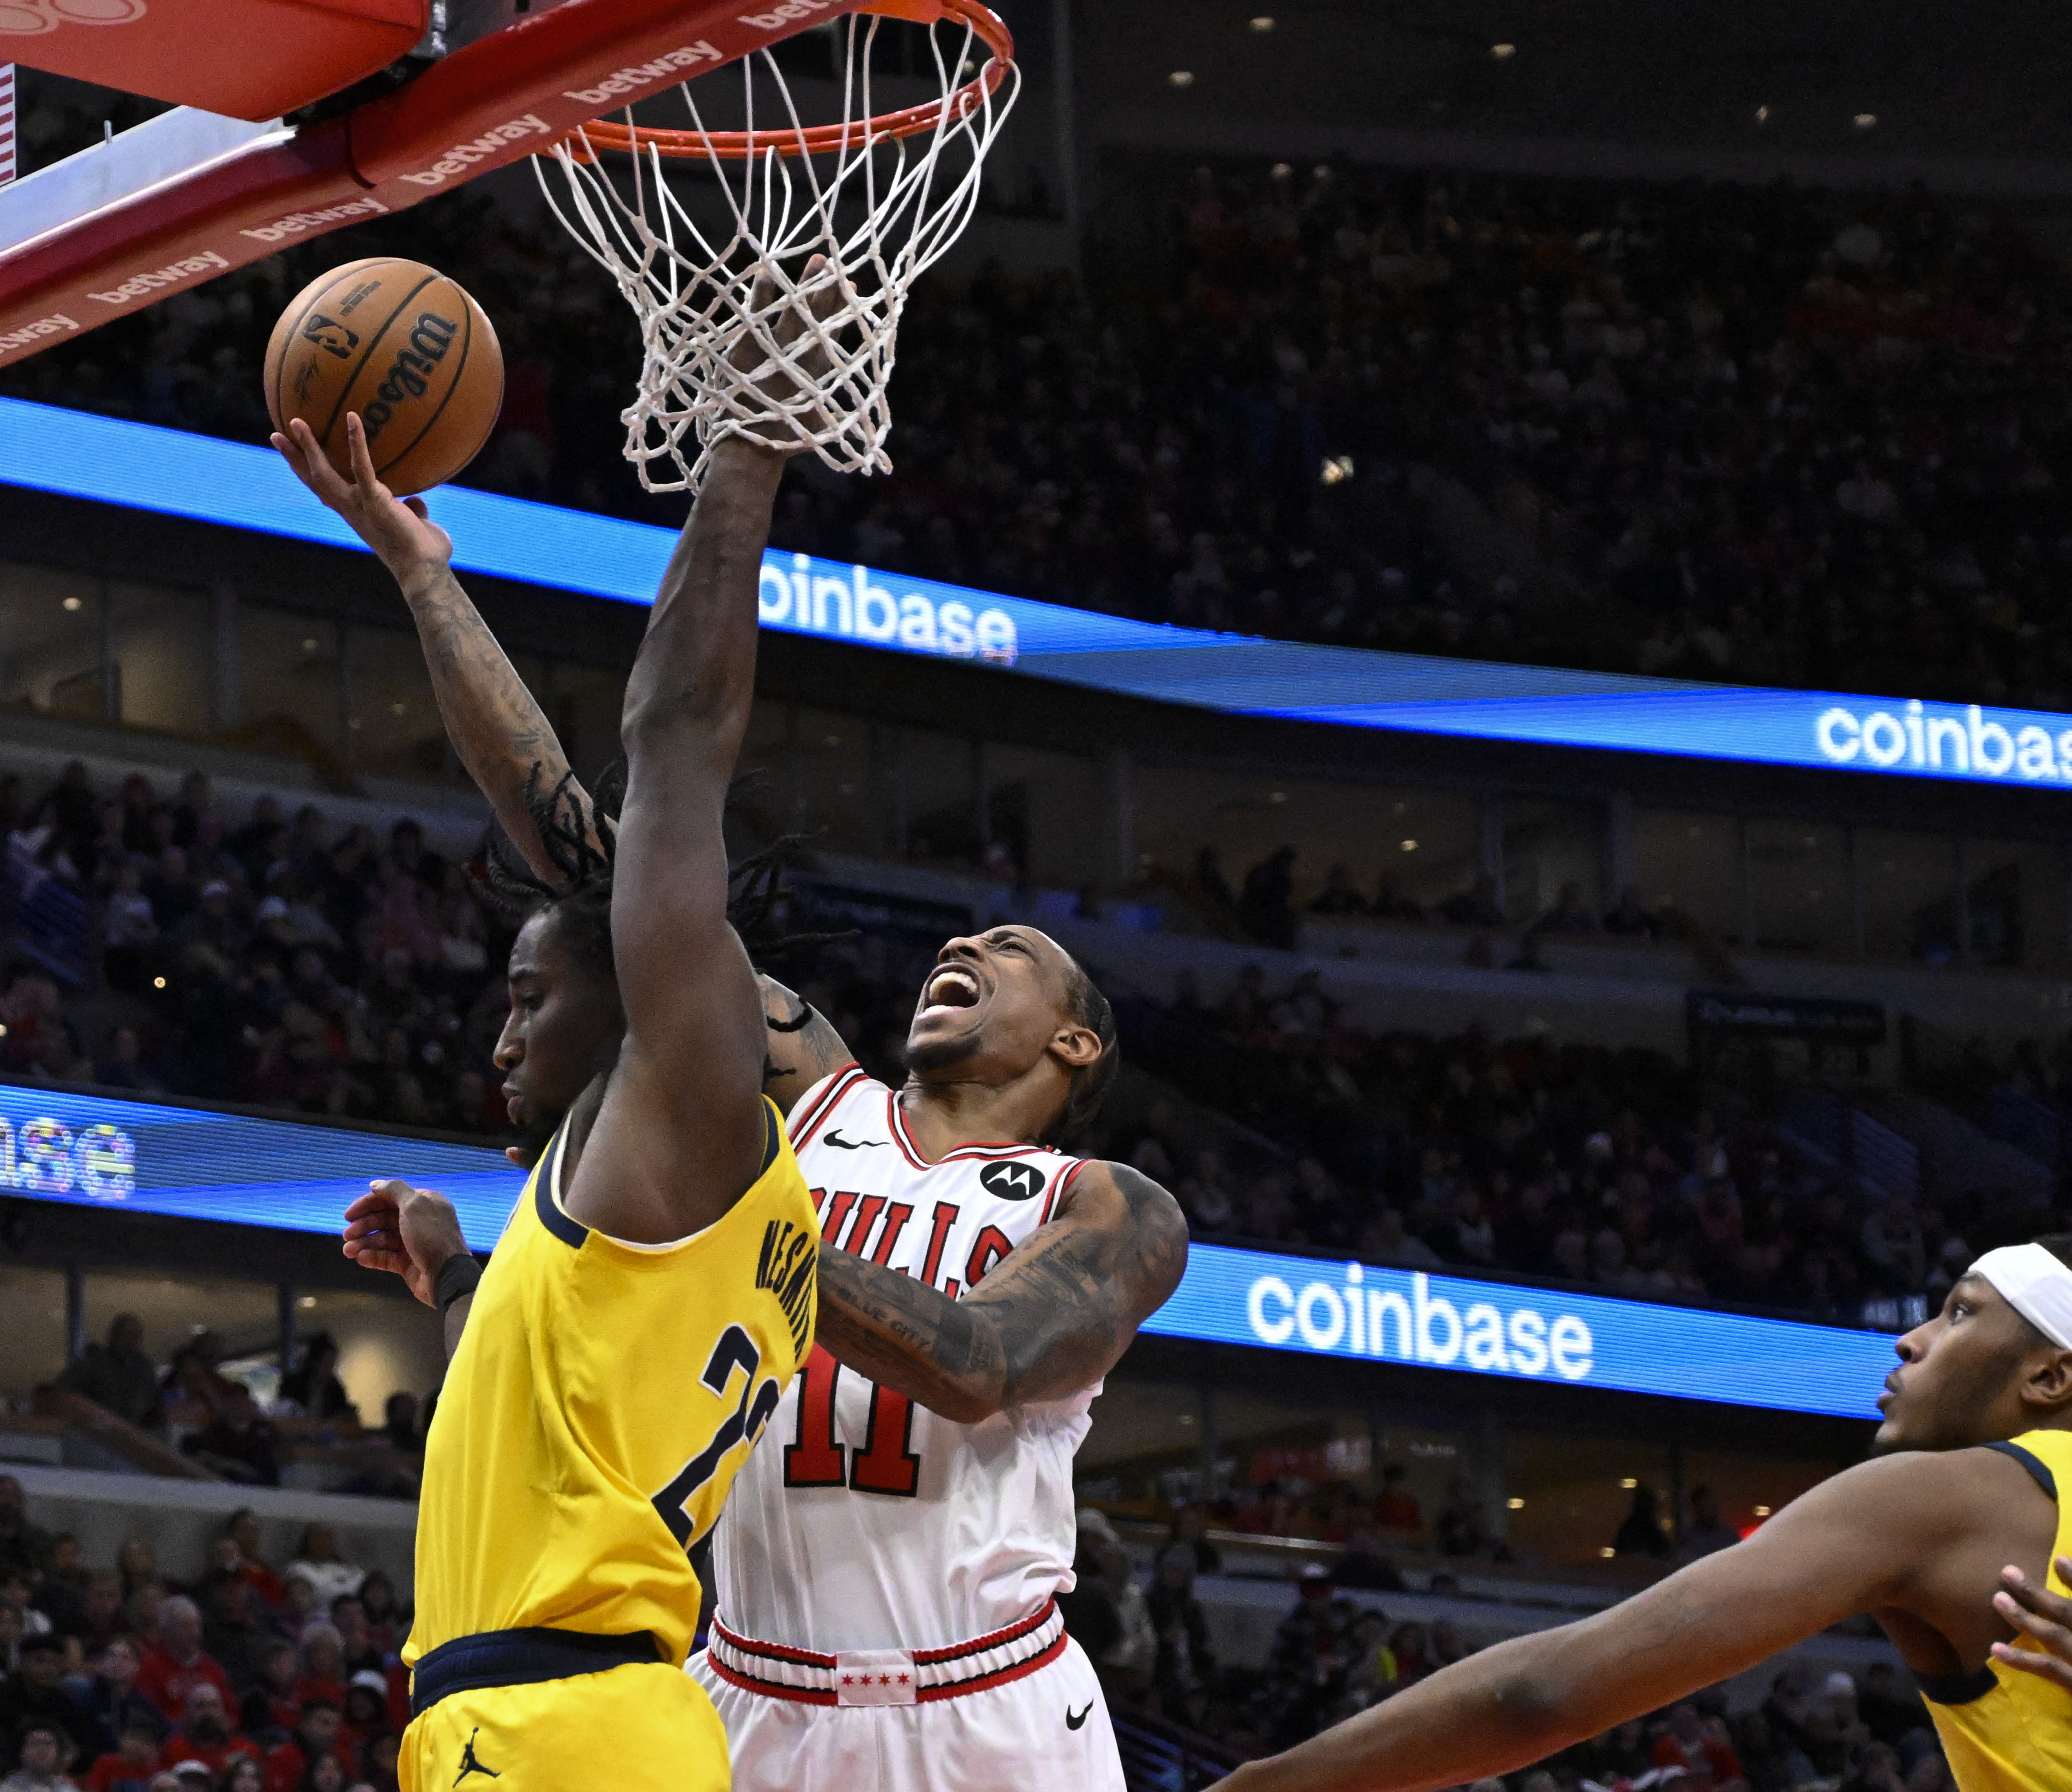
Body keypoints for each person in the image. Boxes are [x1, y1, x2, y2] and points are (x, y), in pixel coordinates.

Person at [289, 380, 1190, 1791]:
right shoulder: (809, 1093)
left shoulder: (1110, 1203)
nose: (965, 946)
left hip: (990, 1699)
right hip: (745, 1684)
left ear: (1077, 1045)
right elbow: (598, 848)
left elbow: (980, 1364)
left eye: (1011, 951)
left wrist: (726, 1229)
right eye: (960, 938)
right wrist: (424, 582)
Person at [291, 410, 820, 1791]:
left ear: (638, 995)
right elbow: (562, 1417)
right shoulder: (649, 1189)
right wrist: (421, 574)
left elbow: (676, 747)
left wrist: (749, 446)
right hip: (557, 1720)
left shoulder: (692, 1108)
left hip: (567, 1720)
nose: (502, 1039)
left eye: (529, 1000)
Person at [1215, 1239, 2072, 1792]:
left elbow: (1543, 1692)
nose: (1908, 1338)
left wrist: (1263, 1784)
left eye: (1959, 1311)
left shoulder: (1944, 1493)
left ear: (2047, 1377)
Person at [54, 1314, 161, 1427]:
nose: (130, 1341)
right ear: (113, 1336)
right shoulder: (94, 1362)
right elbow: (64, 1390)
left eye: (135, 1336)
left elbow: (153, 1397)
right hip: (97, 1429)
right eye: (126, 1335)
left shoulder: (145, 1366)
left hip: (135, 1428)